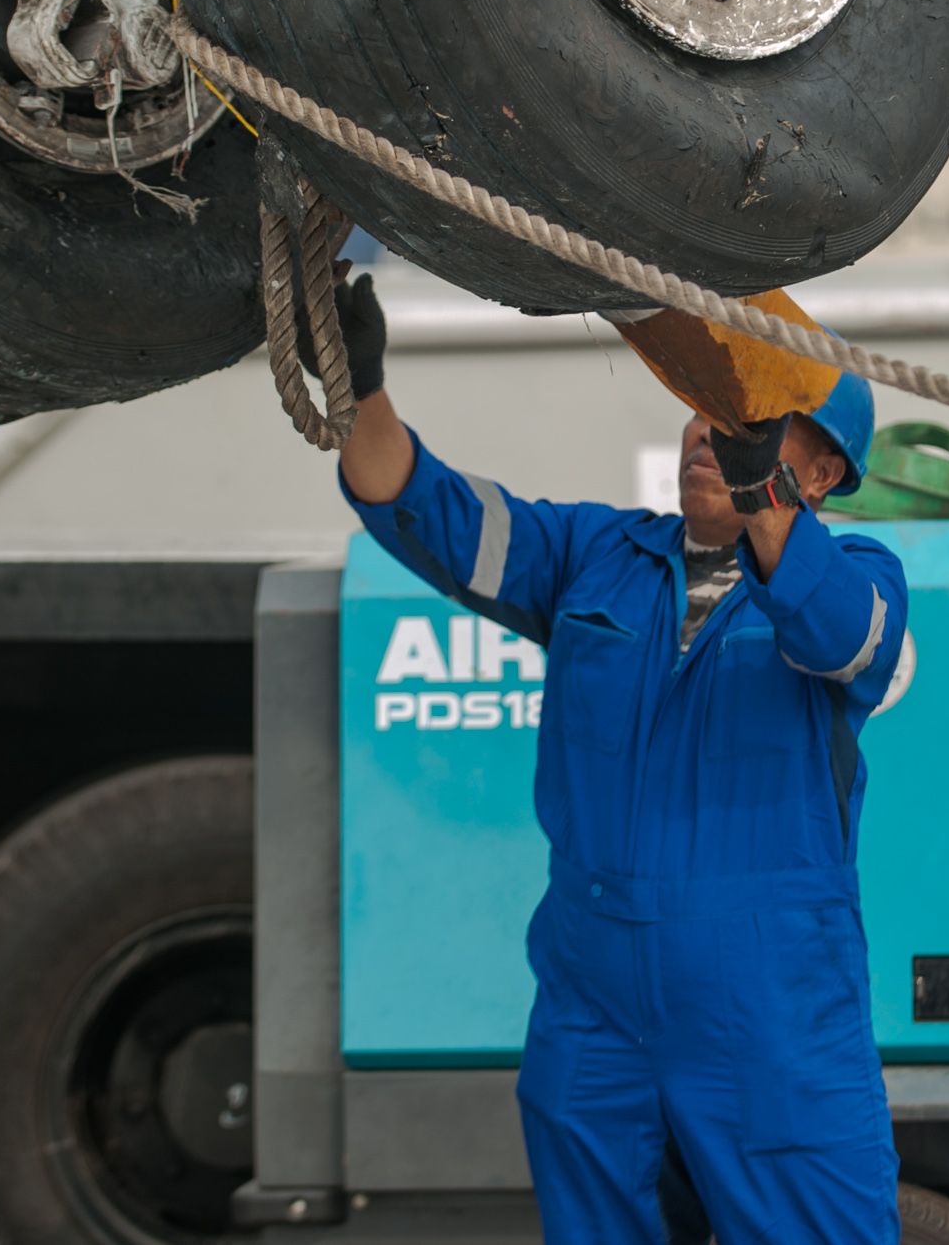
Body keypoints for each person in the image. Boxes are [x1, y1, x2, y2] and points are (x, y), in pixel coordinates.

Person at [329, 270, 908, 1245]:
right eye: (704, 412)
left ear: (814, 478)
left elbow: (846, 637)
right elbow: (427, 509)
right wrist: (359, 391)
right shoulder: (592, 555)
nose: (705, 434)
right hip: (595, 1005)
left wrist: (761, 498)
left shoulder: (858, 579)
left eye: (753, 425)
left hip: (769, 1013)